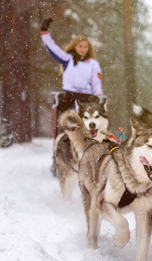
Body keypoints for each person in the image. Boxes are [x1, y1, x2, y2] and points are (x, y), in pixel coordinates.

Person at [40, 18, 104, 175]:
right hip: (69, 98)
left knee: (89, 128)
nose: (83, 49)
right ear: (75, 47)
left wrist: (99, 97)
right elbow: (52, 48)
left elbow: (97, 81)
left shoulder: (93, 64)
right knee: (64, 128)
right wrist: (44, 33)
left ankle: (93, 159)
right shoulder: (67, 59)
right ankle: (58, 159)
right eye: (80, 46)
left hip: (88, 99)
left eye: (85, 46)